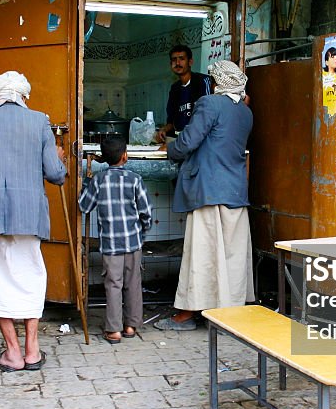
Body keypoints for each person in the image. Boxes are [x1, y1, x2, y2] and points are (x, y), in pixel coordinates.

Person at [0, 71, 67, 372]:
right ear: (24, 96)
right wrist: (59, 156)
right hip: (28, 216)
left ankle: (13, 353)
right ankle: (33, 350)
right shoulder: (39, 121)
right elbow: (56, 175)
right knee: (30, 277)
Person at [155, 60, 254, 330]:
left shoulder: (210, 104)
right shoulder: (245, 112)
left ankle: (188, 313)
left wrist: (170, 150)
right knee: (231, 257)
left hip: (208, 189)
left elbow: (188, 141)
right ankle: (229, 313)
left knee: (201, 255)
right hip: (235, 192)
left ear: (216, 83)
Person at [78, 135, 152, 343]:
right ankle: (131, 326)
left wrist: (85, 184)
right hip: (133, 243)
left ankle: (114, 330)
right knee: (133, 283)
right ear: (125, 156)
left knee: (113, 284)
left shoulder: (99, 180)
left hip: (110, 244)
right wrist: (142, 232)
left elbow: (84, 206)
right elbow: (146, 212)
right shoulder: (135, 179)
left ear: (104, 158)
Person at [154, 45, 211, 143]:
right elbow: (171, 122)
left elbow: (208, 115)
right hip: (181, 140)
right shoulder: (174, 89)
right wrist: (163, 130)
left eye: (181, 59)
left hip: (202, 140)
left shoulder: (203, 81)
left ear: (190, 62)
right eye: (174, 60)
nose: (177, 63)